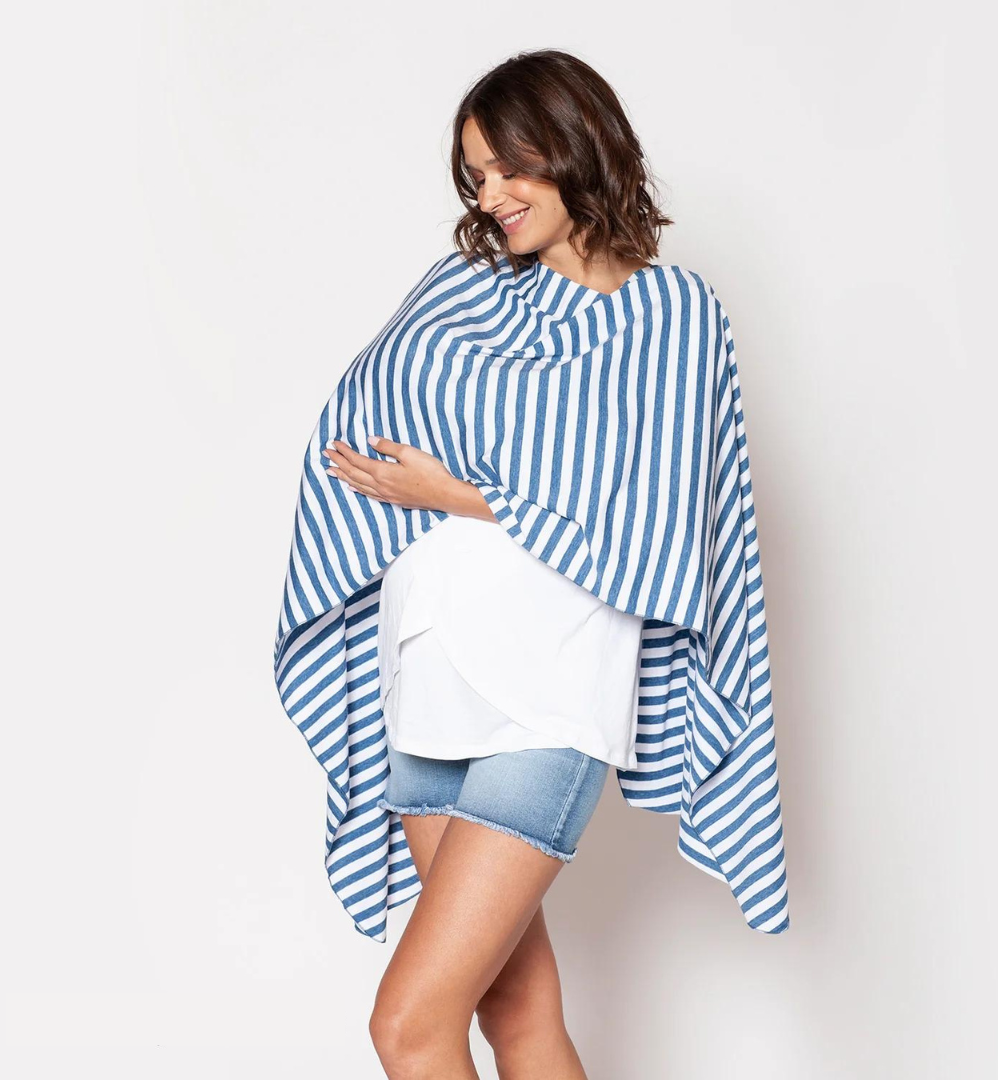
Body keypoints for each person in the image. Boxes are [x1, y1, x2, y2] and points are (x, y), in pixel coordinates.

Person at [273, 48, 790, 1080]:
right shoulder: (462, 289)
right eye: (476, 177)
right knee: (515, 1014)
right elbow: (365, 415)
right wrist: (405, 485)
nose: (491, 196)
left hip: (550, 691)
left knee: (407, 1025)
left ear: (576, 144)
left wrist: (461, 493)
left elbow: (654, 524)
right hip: (428, 674)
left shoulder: (675, 315)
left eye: (510, 167)